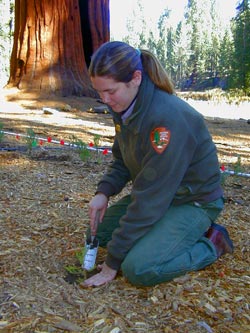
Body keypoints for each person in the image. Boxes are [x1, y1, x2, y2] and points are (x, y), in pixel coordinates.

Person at [83, 41, 234, 287]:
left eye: (110, 91)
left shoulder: (166, 119)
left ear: (135, 78)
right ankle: (167, 236)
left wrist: (112, 264)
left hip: (192, 201)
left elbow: (150, 199)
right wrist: (103, 192)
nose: (104, 99)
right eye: (99, 92)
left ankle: (211, 243)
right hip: (161, 193)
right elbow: (123, 160)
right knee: (99, 234)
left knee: (138, 268)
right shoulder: (124, 107)